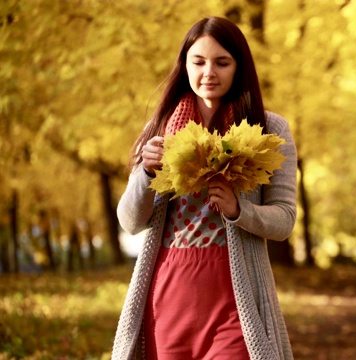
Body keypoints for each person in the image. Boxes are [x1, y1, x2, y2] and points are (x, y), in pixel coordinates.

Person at [111, 16, 296, 360]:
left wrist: (240, 211)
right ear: (185, 66)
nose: (209, 72)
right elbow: (130, 221)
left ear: (238, 67)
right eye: (198, 62)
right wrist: (146, 174)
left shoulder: (270, 130)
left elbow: (284, 220)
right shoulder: (161, 128)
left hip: (235, 297)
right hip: (168, 291)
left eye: (222, 62)